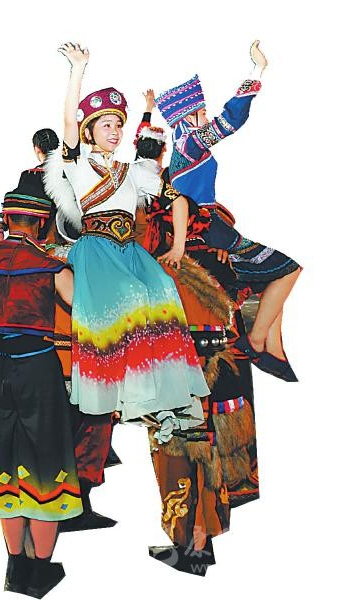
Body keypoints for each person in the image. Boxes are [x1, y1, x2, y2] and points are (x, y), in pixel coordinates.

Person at [45, 42, 209, 441]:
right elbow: (67, 122)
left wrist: (178, 247)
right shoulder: (78, 165)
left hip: (130, 251)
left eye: (118, 125)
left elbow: (178, 201)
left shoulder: (133, 171)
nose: (114, 131)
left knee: (164, 289)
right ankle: (133, 396)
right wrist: (78, 69)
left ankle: (167, 399)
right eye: (105, 125)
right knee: (133, 296)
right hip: (97, 251)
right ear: (89, 131)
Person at [132, 114, 259, 574]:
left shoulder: (159, 221)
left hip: (182, 347)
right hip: (214, 348)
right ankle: (198, 540)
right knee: (204, 442)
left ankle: (191, 545)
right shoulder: (218, 224)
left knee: (180, 443)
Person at [155, 41, 301, 381]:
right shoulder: (190, 143)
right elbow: (231, 119)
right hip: (209, 228)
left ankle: (271, 346)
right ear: (188, 116)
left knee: (272, 275)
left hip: (211, 224)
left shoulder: (182, 150)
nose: (206, 117)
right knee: (288, 269)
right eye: (202, 112)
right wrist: (257, 70)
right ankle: (256, 340)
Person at [0, 183, 82, 598]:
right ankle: (39, 572)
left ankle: (15, 567)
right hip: (37, 369)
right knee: (47, 462)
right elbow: (84, 309)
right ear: (42, 222)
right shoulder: (50, 266)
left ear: (6, 219)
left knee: (4, 459)